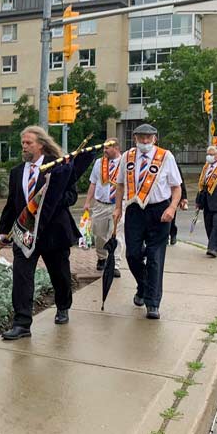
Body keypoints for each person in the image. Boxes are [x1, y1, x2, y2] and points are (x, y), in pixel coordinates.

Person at [0, 126, 86, 337]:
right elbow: (12, 204)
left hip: (53, 232)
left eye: (28, 143)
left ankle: (63, 306)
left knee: (59, 274)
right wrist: (3, 230)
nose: (24, 147)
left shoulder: (59, 166)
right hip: (26, 233)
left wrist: (49, 199)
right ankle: (22, 324)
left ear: (41, 145)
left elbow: (71, 197)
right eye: (23, 143)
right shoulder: (17, 172)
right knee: (22, 277)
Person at [112, 123, 182, 320]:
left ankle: (153, 303)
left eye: (148, 137)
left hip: (159, 210)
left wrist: (172, 208)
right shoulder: (127, 157)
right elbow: (120, 185)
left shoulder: (165, 156)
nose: (145, 141)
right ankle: (143, 286)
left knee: (154, 257)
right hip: (135, 209)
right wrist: (118, 208)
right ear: (135, 138)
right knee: (132, 255)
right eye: (141, 137)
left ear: (154, 138)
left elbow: (176, 187)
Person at [84, 138, 123, 277]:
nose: (104, 150)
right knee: (99, 234)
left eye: (107, 148)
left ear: (116, 148)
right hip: (100, 205)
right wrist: (87, 202)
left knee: (116, 235)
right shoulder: (99, 163)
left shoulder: (125, 162)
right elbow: (93, 183)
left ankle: (115, 264)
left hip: (117, 205)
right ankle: (102, 257)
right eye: (104, 148)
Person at [168, 161, 189, 246]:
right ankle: (164, 237)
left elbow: (180, 183)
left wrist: (184, 197)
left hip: (172, 196)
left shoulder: (173, 165)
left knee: (171, 218)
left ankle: (173, 234)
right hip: (161, 196)